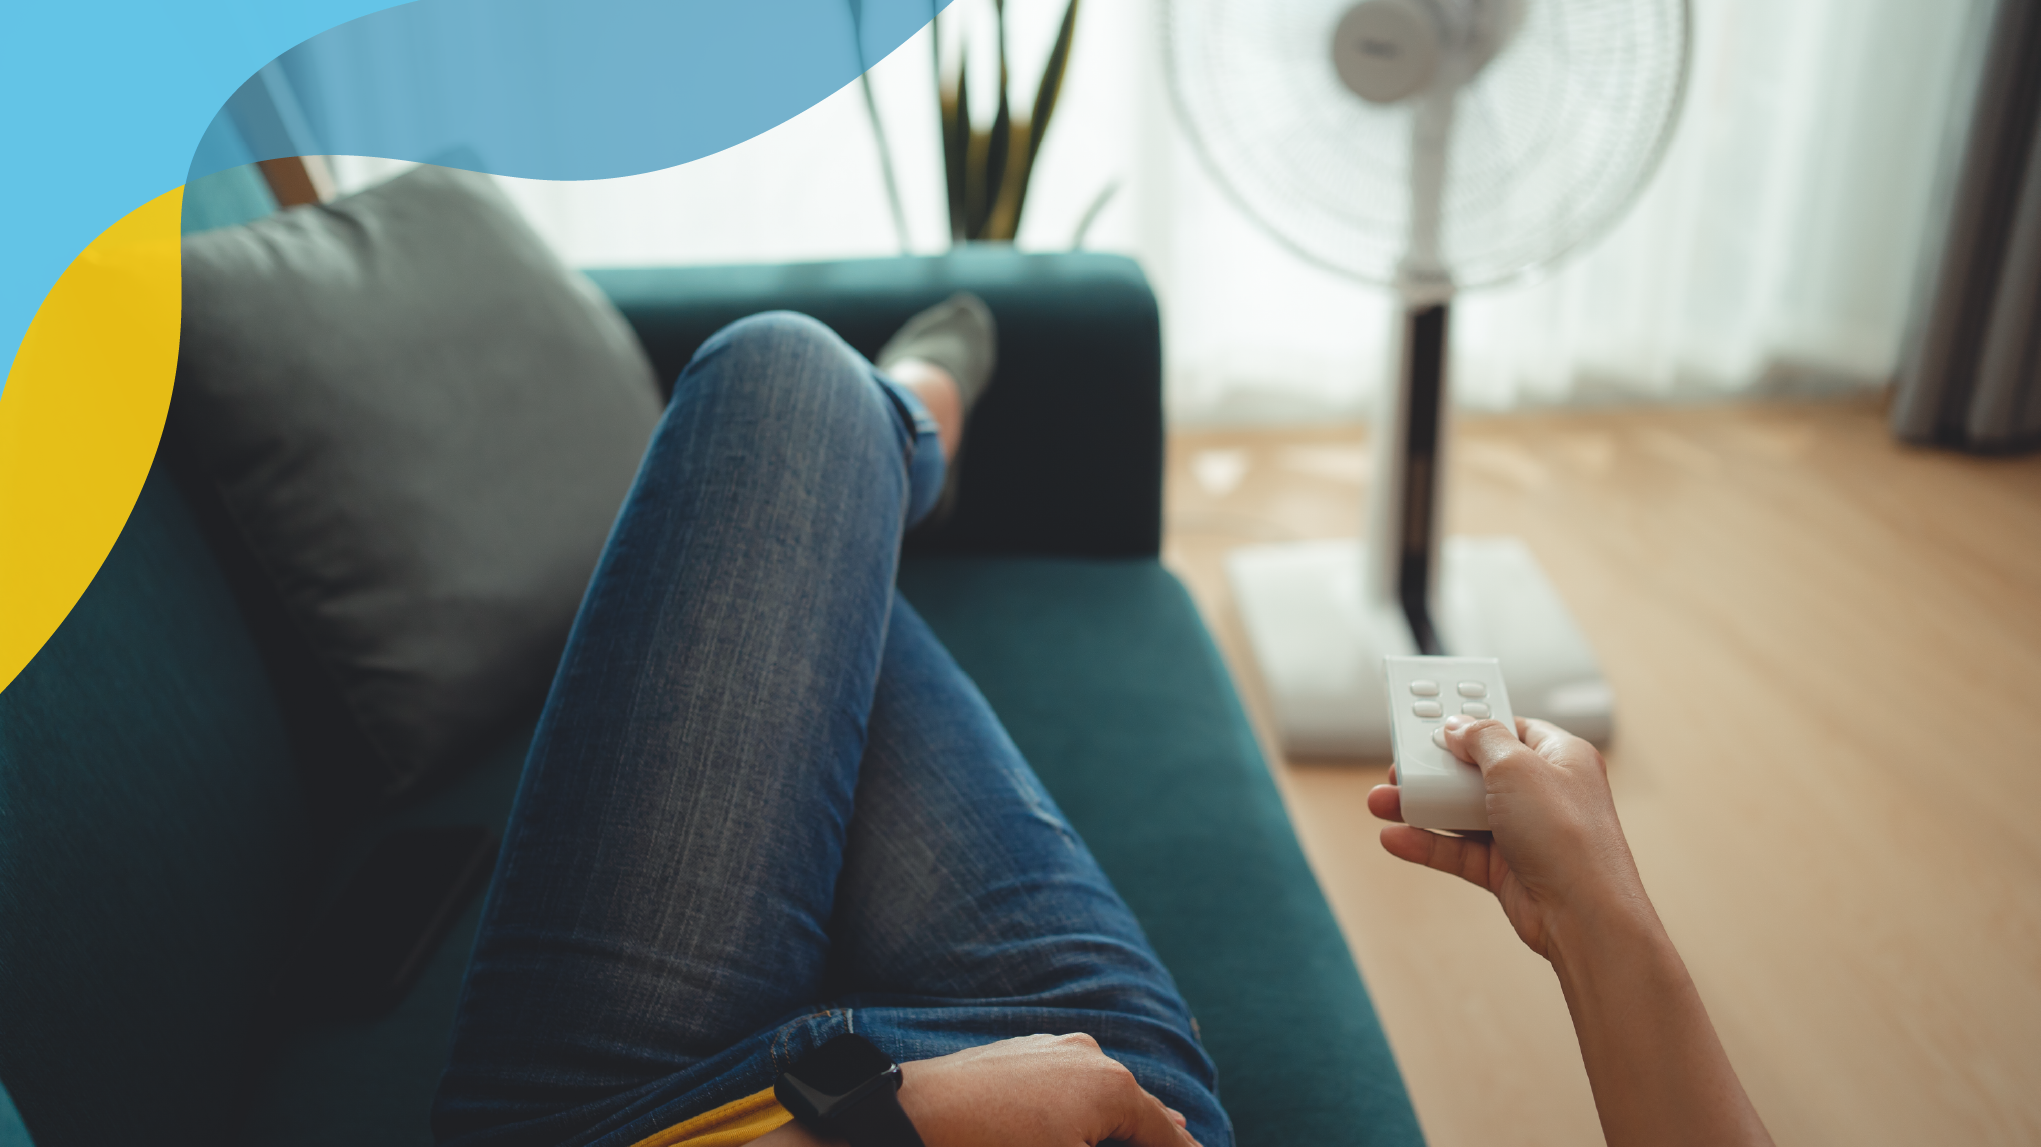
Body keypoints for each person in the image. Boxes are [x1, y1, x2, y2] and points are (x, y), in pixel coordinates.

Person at [433, 296, 1773, 1147]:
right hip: (1119, 1106)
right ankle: (899, 441)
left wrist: (885, 1125)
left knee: (778, 392)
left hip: (655, 1123)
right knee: (796, 499)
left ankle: (907, 434)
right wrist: (1601, 909)